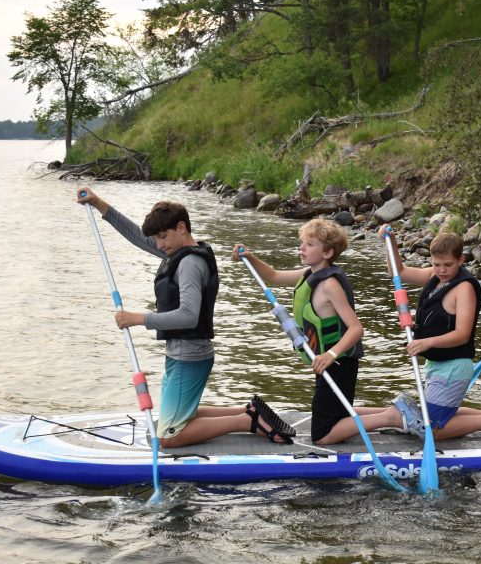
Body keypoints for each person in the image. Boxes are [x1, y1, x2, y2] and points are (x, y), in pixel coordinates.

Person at [76, 186, 294, 448]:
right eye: (157, 239)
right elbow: (136, 235)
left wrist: (138, 318)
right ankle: (246, 410)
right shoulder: (177, 251)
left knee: (168, 437)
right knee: (177, 418)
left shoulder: (190, 263)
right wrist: (99, 203)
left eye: (163, 236)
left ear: (181, 227)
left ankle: (246, 421)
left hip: (189, 355)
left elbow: (189, 316)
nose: (159, 244)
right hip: (181, 352)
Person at [351, 227, 481, 441]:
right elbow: (397, 273)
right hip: (437, 365)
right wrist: (390, 242)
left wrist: (426, 343)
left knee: (431, 429)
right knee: (437, 414)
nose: (441, 270)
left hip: (454, 367)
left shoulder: (464, 288)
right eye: (436, 264)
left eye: (448, 265)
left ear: (461, 260)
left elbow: (462, 335)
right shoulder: (434, 276)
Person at [234, 218, 366, 446]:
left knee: (322, 435)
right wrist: (249, 257)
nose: (302, 248)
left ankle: (392, 417)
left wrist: (330, 355)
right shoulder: (309, 274)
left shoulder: (330, 285)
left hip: (338, 363)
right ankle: (390, 410)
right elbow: (273, 276)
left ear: (328, 253)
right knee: (338, 411)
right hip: (326, 362)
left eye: (310, 244)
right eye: (302, 243)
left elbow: (356, 329)